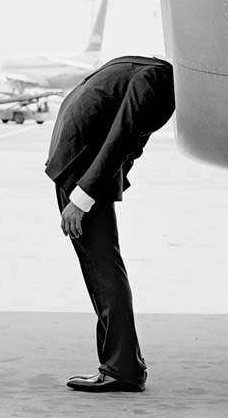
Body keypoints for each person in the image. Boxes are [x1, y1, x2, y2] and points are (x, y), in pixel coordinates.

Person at [44, 55, 175, 393]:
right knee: (103, 269)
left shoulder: (156, 79)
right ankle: (125, 363)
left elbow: (125, 136)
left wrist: (84, 197)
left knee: (103, 270)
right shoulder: (156, 76)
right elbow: (130, 140)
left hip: (81, 175)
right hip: (81, 171)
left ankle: (122, 368)